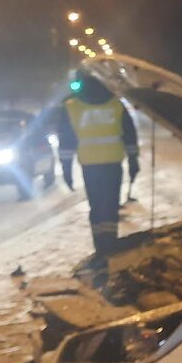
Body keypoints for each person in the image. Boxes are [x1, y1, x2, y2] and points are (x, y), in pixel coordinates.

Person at [55, 71, 139, 255]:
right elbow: (130, 135)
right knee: (110, 206)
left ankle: (100, 247)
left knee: (96, 207)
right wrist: (133, 160)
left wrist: (66, 169)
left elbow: (66, 142)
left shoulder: (71, 107)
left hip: (90, 165)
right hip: (112, 164)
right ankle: (110, 245)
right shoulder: (115, 104)